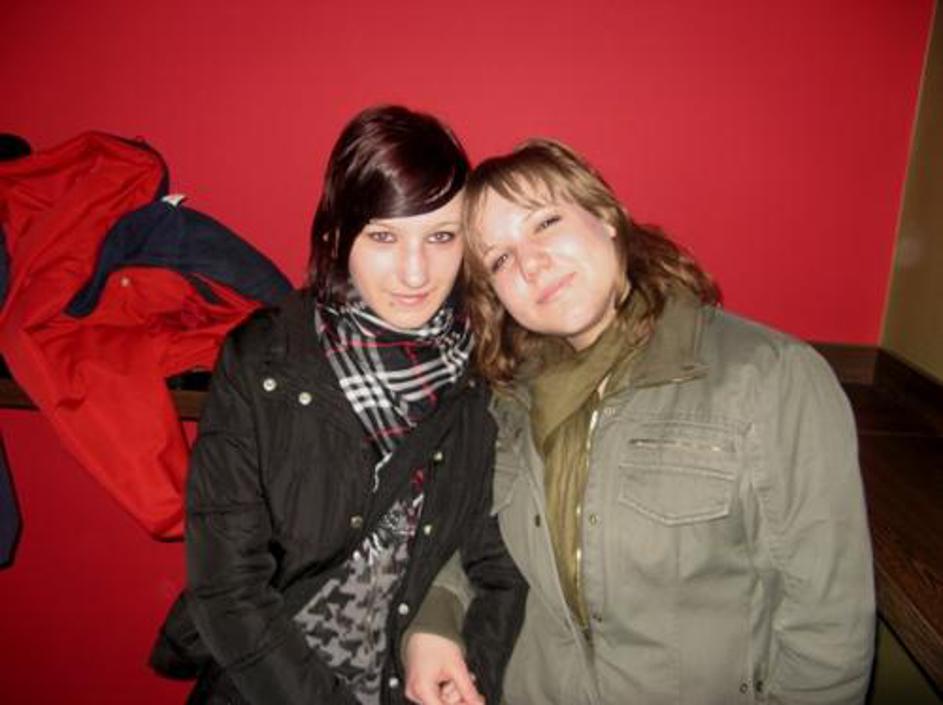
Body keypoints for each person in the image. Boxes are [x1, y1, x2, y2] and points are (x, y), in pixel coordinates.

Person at [403, 139, 875, 705]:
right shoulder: (505, 401)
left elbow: (828, 633)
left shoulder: (769, 378)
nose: (530, 264)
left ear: (604, 217)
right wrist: (434, 619)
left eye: (545, 222)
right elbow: (466, 534)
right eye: (500, 259)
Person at [166, 106, 527, 705]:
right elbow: (228, 586)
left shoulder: (491, 366)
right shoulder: (264, 361)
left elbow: (498, 564)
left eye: (441, 237)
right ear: (337, 236)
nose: (415, 271)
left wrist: (473, 677)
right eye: (383, 236)